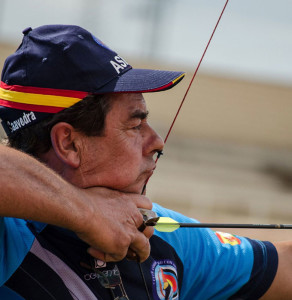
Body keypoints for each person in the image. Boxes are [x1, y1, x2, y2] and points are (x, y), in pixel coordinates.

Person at [0, 24, 291, 300]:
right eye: (135, 124)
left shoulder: (160, 234)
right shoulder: (10, 237)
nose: (157, 142)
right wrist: (86, 213)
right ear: (69, 144)